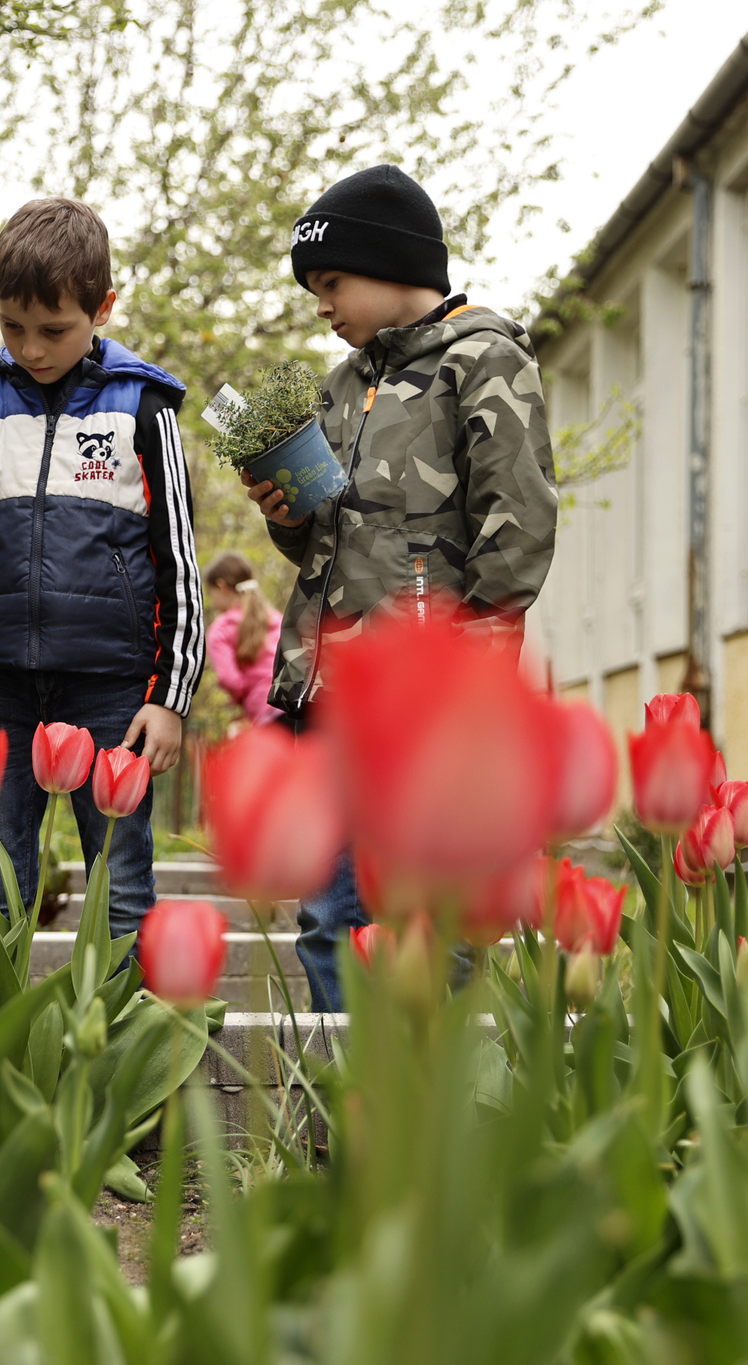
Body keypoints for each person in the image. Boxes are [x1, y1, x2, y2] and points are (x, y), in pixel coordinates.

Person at [245, 163, 557, 1012]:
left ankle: (437, 1113)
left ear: (393, 263)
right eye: (313, 287)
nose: (320, 303)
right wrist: (285, 514)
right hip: (332, 689)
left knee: (432, 911)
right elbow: (324, 539)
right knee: (329, 914)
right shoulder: (341, 388)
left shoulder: (484, 360)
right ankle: (351, 1125)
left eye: (331, 281)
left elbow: (518, 523)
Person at [0, 198, 204, 947]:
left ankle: (122, 1057)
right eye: (13, 327)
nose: (32, 348)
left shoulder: (143, 411)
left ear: (102, 307)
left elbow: (179, 563)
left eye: (54, 330)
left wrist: (169, 698)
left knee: (123, 884)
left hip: (110, 685)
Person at [203, 552, 283, 730]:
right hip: (297, 704)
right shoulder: (276, 618)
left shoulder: (220, 629)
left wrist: (238, 697)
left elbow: (230, 679)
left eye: (210, 593)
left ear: (221, 586)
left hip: (266, 713)